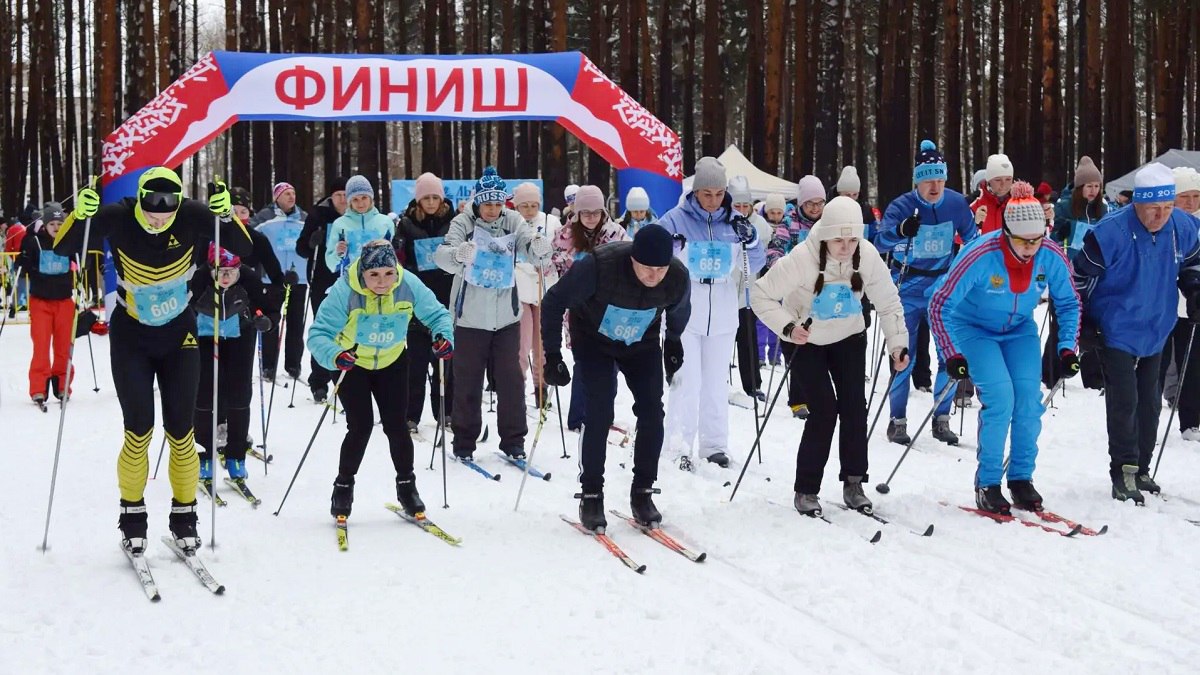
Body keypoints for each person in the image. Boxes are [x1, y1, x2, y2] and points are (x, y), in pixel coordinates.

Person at [54, 167, 252, 555]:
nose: (159, 220)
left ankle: (184, 516)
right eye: (151, 213)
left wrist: (226, 216)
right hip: (132, 335)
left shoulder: (192, 213)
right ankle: (132, 517)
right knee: (138, 430)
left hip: (180, 335)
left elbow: (242, 249)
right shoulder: (119, 215)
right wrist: (80, 214)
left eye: (167, 214)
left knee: (181, 432)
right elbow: (65, 249)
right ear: (140, 201)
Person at [929, 181, 1082, 514]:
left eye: (1036, 240)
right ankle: (988, 483)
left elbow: (1069, 302)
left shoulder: (1049, 253)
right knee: (1001, 398)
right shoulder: (981, 254)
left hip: (1018, 329)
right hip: (974, 328)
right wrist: (951, 353)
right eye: (1022, 241)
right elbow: (939, 303)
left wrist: (1067, 347)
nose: (1030, 248)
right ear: (1006, 233)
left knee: (1028, 401)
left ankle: (1021, 478)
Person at [752, 196, 909, 516]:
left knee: (854, 407)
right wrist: (787, 327)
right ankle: (806, 489)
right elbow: (760, 294)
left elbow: (888, 301)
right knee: (824, 411)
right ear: (825, 235)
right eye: (839, 240)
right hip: (805, 339)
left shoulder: (866, 255)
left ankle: (854, 482)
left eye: (852, 240)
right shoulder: (802, 257)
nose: (846, 248)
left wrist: (897, 344)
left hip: (849, 336)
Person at [541, 224, 690, 531]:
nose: (654, 276)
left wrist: (674, 342)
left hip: (642, 342)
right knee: (599, 412)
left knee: (652, 411)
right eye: (646, 269)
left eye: (660, 270)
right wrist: (552, 355)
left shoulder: (676, 276)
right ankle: (591, 494)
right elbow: (554, 301)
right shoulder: (599, 265)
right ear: (632, 259)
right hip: (594, 339)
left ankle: (643, 492)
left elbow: (679, 310)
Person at [1073, 163, 1200, 503]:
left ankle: (1142, 468)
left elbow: (1193, 261)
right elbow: (1078, 278)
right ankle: (1124, 470)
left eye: (1168, 207)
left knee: (1150, 402)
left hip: (1157, 326)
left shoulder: (1182, 226)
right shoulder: (1110, 232)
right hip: (1115, 327)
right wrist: (1083, 321)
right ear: (1137, 204)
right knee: (1124, 401)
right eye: (1153, 208)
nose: (1161, 216)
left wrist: (1194, 289)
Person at [308, 240, 455, 519]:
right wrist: (335, 355)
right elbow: (318, 334)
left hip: (392, 361)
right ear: (363, 272)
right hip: (352, 363)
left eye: (389, 273)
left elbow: (438, 314)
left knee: (397, 426)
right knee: (360, 426)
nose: (382, 282)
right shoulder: (344, 291)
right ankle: (343, 487)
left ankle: (407, 487)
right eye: (373, 274)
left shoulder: (407, 284)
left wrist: (443, 337)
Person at [434, 166, 553, 461]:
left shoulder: (512, 219)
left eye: (498, 203)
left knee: (511, 381)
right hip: (470, 317)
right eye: (487, 203)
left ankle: (513, 441)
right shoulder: (463, 222)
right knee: (468, 381)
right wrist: (457, 255)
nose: (492, 209)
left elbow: (529, 244)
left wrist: (539, 247)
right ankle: (464, 441)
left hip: (506, 317)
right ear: (478, 202)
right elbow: (442, 255)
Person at [660, 156, 765, 469]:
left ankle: (714, 444)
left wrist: (752, 240)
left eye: (719, 194)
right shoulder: (676, 218)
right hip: (686, 303)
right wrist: (671, 249)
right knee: (687, 380)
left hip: (722, 303)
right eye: (707, 194)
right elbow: (650, 252)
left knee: (717, 382)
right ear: (696, 191)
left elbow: (754, 264)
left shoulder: (735, 221)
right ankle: (679, 444)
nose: (713, 200)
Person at [876, 140, 977, 447]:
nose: (934, 186)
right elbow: (880, 242)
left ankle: (942, 418)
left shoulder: (956, 204)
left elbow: (973, 241)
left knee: (949, 353)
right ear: (917, 181)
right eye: (928, 180)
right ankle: (897, 420)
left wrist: (967, 273)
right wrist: (901, 231)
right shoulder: (901, 206)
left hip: (940, 288)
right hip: (906, 287)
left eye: (939, 179)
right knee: (903, 356)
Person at [191, 243, 270, 496]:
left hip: (239, 338)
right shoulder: (199, 279)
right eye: (220, 272)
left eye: (231, 272)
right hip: (206, 339)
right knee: (204, 396)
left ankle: (236, 457)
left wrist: (264, 320)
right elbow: (183, 308)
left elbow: (266, 306)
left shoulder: (249, 278)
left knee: (239, 396)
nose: (226, 277)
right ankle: (204, 457)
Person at [550, 185, 630, 430]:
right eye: (586, 212)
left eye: (596, 212)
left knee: (610, 364)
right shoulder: (564, 235)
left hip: (610, 309)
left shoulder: (616, 233)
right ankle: (579, 417)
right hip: (578, 309)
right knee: (584, 362)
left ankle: (603, 417)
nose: (591, 217)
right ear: (577, 213)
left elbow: (629, 262)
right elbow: (554, 267)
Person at [17, 203, 103, 404]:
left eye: (59, 224)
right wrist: (23, 259)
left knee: (64, 346)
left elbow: (84, 261)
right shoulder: (35, 242)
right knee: (41, 346)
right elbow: (24, 262)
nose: (56, 227)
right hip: (41, 302)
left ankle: (62, 385)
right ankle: (39, 388)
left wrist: (84, 258)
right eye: (52, 224)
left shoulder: (68, 242)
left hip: (64, 301)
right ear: (45, 225)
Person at [392, 172, 458, 434]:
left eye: (435, 197)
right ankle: (411, 416)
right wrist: (401, 255)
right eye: (426, 198)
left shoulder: (453, 222)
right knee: (416, 365)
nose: (431, 202)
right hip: (417, 301)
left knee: (445, 363)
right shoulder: (406, 224)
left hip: (446, 298)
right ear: (418, 200)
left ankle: (446, 412)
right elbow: (398, 259)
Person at [1044, 156, 1107, 388]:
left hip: (1094, 274)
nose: (1093, 191)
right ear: (1080, 187)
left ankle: (1094, 377)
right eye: (1089, 186)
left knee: (1092, 324)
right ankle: (1051, 372)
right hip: (1068, 273)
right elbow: (1053, 238)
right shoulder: (1065, 206)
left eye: (1097, 186)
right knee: (1062, 323)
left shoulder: (1103, 209)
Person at [768, 175, 825, 419]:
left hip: (821, 292)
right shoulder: (789, 222)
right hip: (793, 293)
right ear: (801, 203)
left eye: (819, 203)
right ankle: (798, 399)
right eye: (810, 203)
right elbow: (774, 250)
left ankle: (816, 395)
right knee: (795, 344)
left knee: (816, 346)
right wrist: (782, 270)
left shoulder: (827, 223)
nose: (815, 208)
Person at [296, 177, 348, 402]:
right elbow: (301, 249)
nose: (342, 200)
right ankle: (319, 380)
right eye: (338, 195)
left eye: (346, 195)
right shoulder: (318, 215)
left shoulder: (356, 215)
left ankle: (345, 378)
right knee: (325, 328)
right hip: (322, 280)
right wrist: (311, 242)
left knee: (348, 329)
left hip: (351, 280)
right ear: (331, 197)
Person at [252, 182, 309, 382]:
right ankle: (268, 367)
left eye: (293, 193)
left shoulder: (303, 218)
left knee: (295, 323)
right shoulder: (265, 217)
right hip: (272, 278)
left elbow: (311, 242)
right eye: (286, 194)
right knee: (271, 321)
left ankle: (293, 366)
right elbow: (249, 236)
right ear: (277, 197)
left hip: (298, 277)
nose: (291, 197)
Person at [512, 181, 562, 410]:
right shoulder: (512, 222)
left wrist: (549, 264)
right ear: (517, 206)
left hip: (544, 290)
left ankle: (541, 386)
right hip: (520, 290)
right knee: (521, 345)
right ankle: (516, 388)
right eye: (524, 206)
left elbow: (559, 250)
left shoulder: (550, 222)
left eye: (534, 205)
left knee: (541, 344)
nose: (530, 210)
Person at [1162, 167, 1200, 443]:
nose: (1190, 202)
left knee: (1193, 364)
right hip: (1162, 306)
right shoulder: (1163, 222)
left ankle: (1191, 421)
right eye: (1184, 196)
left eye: (1196, 196)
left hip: (1193, 308)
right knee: (1158, 364)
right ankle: (1147, 420)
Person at [728, 176, 769, 404]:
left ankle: (753, 384)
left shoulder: (760, 225)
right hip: (725, 292)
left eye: (746, 205)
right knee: (722, 339)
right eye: (738, 205)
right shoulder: (723, 222)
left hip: (747, 293)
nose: (742, 210)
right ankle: (718, 380)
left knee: (748, 340)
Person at [325, 175, 394, 280]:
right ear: (350, 202)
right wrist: (337, 254)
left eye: (364, 198)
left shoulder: (385, 222)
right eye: (355, 199)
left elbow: (395, 257)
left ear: (371, 198)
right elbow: (331, 265)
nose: (360, 203)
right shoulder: (339, 224)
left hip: (381, 282)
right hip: (350, 282)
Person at [971, 154, 1015, 235]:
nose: (1003, 184)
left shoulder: (1020, 202)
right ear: (989, 181)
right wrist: (974, 223)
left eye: (1008, 179)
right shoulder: (974, 202)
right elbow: (957, 236)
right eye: (998, 180)